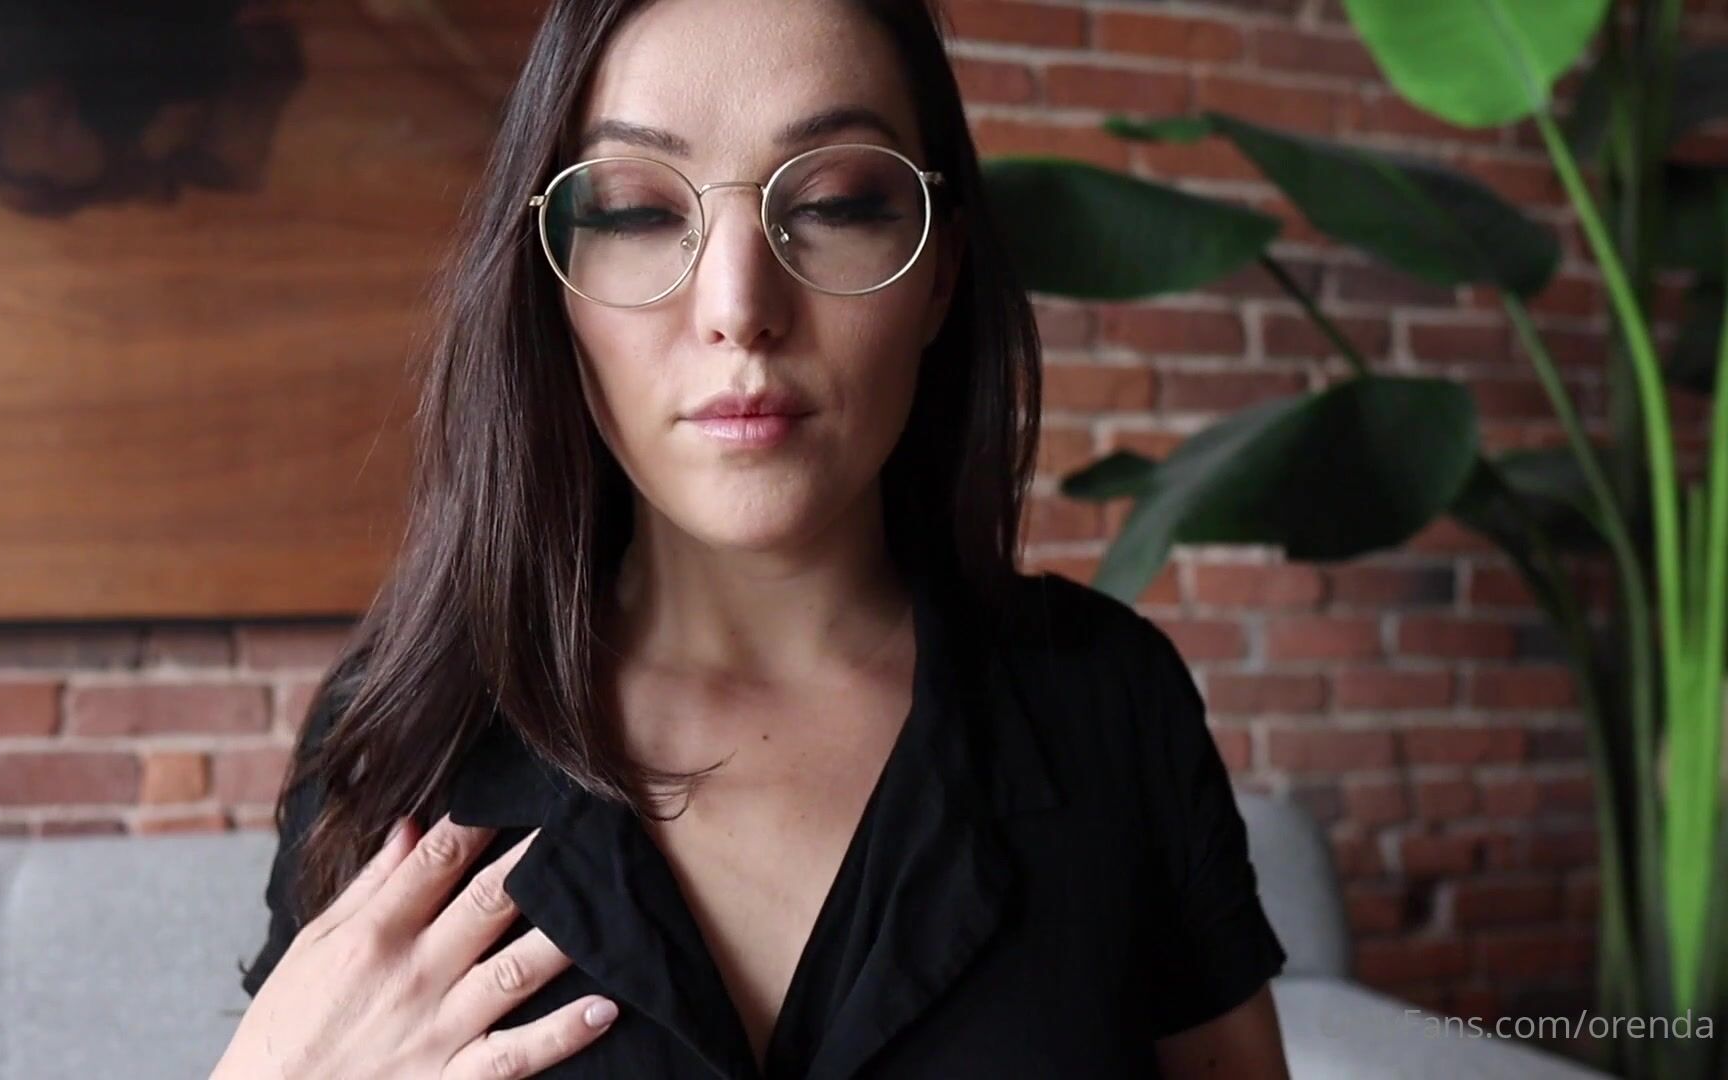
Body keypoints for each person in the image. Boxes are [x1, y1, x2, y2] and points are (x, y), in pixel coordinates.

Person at [214, 0, 1292, 1076]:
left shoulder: (1109, 706)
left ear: (939, 272)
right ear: (552, 278)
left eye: (833, 202)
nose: (738, 306)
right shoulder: (406, 728)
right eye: (637, 212)